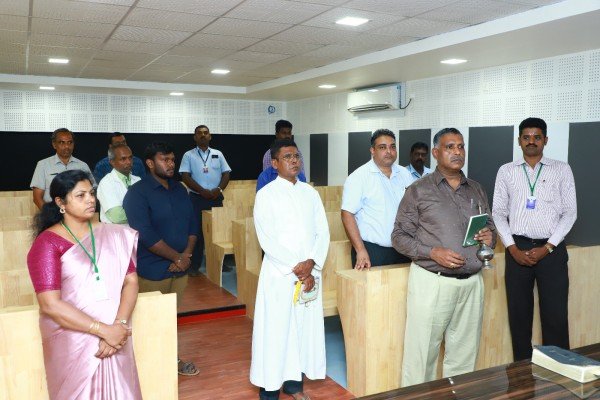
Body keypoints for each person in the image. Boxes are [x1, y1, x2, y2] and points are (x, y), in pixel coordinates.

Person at [391, 128, 496, 387]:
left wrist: (489, 237)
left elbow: (490, 227)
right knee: (421, 357)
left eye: (461, 146)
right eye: (450, 147)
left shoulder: (476, 189)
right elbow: (399, 236)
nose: (457, 152)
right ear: (436, 153)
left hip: (472, 283)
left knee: (464, 360)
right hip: (432, 282)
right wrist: (432, 252)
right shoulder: (418, 190)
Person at [27, 169, 142, 399]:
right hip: (73, 340)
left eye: (91, 193)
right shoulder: (48, 243)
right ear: (60, 202)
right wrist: (103, 331)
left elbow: (131, 281)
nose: (90, 200)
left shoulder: (112, 234)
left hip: (116, 334)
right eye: (81, 195)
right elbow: (50, 304)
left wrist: (118, 326)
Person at [492, 117, 577, 361]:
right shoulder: (506, 171)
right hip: (517, 249)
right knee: (519, 316)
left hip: (552, 250)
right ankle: (522, 371)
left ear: (545, 140)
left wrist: (548, 247)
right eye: (526, 137)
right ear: (519, 141)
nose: (531, 141)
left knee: (555, 316)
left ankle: (559, 367)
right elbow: (498, 213)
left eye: (537, 137)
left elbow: (570, 213)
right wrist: (512, 249)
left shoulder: (562, 169)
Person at [251, 139, 330, 400]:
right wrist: (297, 267)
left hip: (309, 274)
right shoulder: (266, 194)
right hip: (280, 274)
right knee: (276, 332)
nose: (294, 160)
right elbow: (267, 239)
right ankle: (270, 390)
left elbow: (323, 232)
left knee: (302, 330)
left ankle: (294, 385)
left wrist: (311, 263)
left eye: (296, 156)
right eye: (287, 157)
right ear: (274, 163)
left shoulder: (310, 193)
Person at [123, 142, 200, 376]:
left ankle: (171, 361)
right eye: (164, 160)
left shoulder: (180, 189)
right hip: (152, 270)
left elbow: (193, 224)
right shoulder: (137, 193)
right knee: (148, 321)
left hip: (180, 268)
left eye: (172, 160)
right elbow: (145, 234)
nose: (170, 164)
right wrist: (177, 257)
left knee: (170, 319)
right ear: (149, 163)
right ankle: (145, 368)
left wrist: (186, 256)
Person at [341, 129, 413, 269]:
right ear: (372, 151)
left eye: (392, 147)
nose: (389, 151)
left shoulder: (405, 174)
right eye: (382, 147)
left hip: (403, 248)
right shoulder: (358, 177)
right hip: (372, 251)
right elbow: (347, 214)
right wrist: (360, 250)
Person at [179, 125, 231, 276]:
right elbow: (185, 176)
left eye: (205, 133)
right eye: (199, 133)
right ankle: (194, 265)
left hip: (215, 197)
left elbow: (226, 173)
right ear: (195, 137)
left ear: (210, 136)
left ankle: (219, 263)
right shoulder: (188, 155)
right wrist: (202, 191)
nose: (203, 135)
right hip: (197, 198)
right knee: (196, 232)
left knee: (217, 231)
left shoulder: (218, 154)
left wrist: (218, 190)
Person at [30, 128, 94, 210]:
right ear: (54, 144)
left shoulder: (83, 166)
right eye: (61, 142)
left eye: (70, 142)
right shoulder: (43, 165)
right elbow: (37, 198)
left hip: (78, 214)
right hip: (53, 213)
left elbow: (92, 192)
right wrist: (49, 215)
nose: (66, 146)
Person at [97, 143, 141, 225]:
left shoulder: (138, 180)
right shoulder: (106, 183)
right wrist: (143, 212)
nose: (129, 162)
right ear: (112, 162)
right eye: (123, 159)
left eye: (130, 158)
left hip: (138, 230)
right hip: (115, 231)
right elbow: (117, 217)